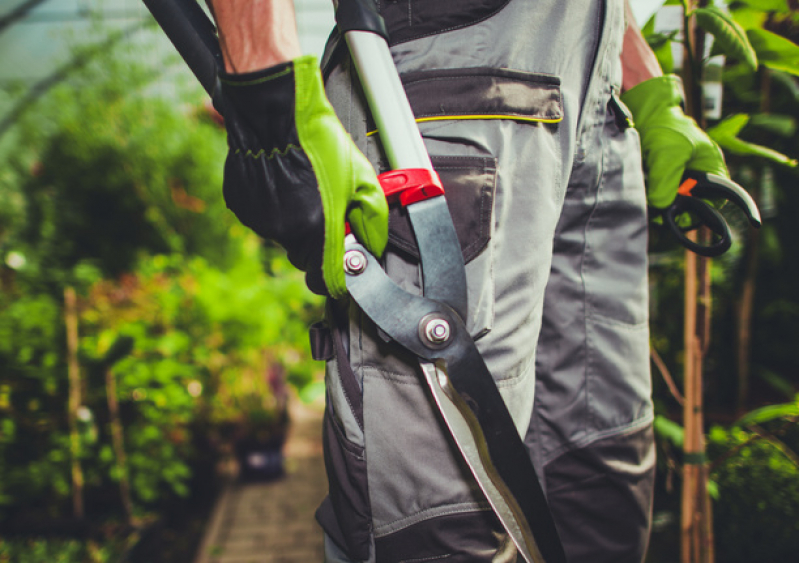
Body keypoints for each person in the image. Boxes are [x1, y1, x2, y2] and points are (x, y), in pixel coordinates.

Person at [206, 1, 729, 561]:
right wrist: (267, 86)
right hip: (449, 61)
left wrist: (644, 82)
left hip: (595, 95)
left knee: (601, 472)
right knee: (438, 526)